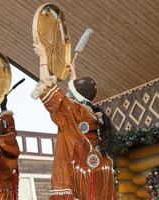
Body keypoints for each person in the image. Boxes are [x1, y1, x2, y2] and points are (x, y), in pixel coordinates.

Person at [32, 43, 116, 200]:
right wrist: (73, 76)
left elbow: (46, 88)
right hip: (95, 185)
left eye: (71, 92)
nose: (67, 95)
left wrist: (43, 59)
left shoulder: (73, 115)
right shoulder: (95, 118)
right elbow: (78, 102)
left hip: (77, 187)